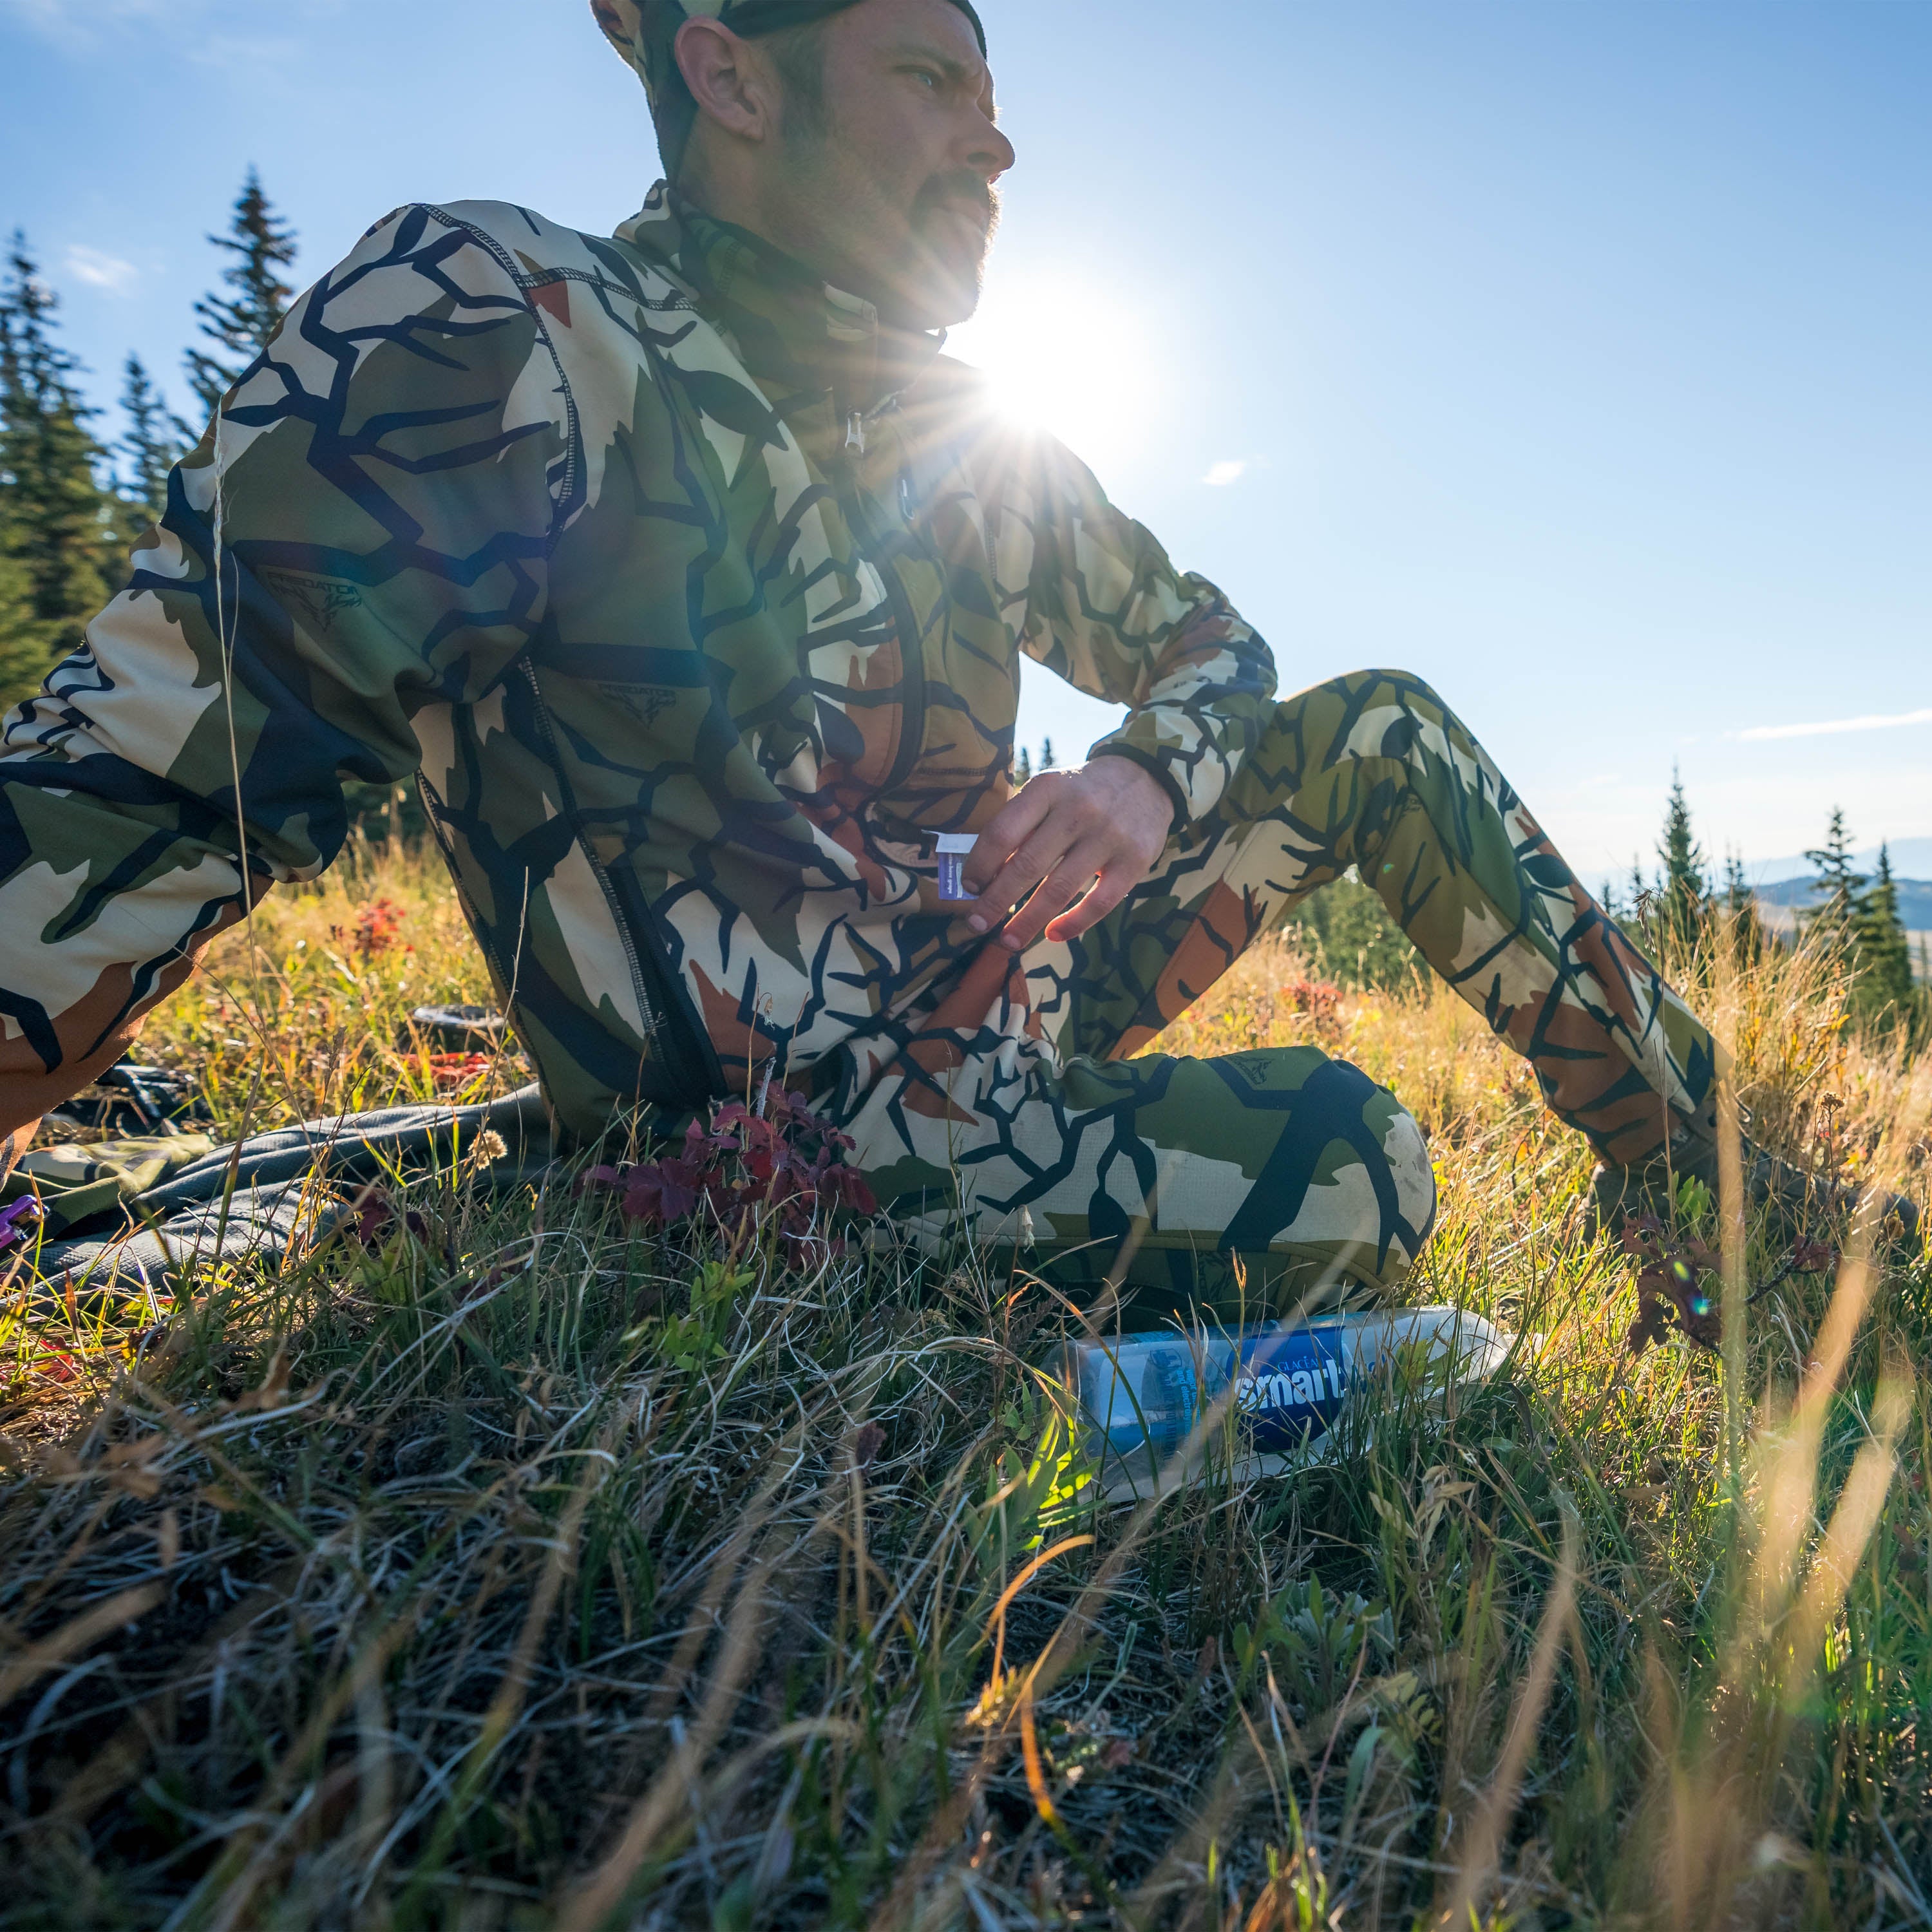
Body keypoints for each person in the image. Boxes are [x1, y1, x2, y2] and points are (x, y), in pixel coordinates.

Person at [0, 0, 1900, 1321]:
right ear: (728, 75)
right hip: (792, 1144)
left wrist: (1143, 767)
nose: (997, 139)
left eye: (992, 91)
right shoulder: (513, 323)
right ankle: (549, 1173)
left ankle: (1730, 1210)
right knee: (1354, 1163)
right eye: (928, 75)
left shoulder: (965, 433)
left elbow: (1215, 638)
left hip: (1000, 1010)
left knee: (1380, 730)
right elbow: (161, 775)